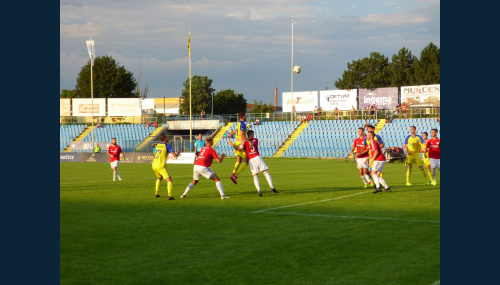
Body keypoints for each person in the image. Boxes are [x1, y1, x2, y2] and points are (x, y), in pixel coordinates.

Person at [229, 130, 278, 196]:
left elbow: (238, 149)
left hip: (251, 160)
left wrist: (232, 144)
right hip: (257, 157)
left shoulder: (244, 142)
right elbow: (251, 144)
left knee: (255, 176)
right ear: (252, 135)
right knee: (265, 172)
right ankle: (272, 187)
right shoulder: (255, 140)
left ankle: (259, 190)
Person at [152, 134, 181, 199]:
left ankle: (156, 193)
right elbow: (174, 155)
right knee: (169, 180)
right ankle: (170, 196)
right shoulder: (167, 146)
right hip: (160, 166)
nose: (168, 138)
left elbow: (154, 153)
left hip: (154, 165)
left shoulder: (158, 145)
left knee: (159, 178)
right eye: (167, 137)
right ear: (164, 138)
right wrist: (178, 153)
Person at [229, 112, 253, 184]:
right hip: (240, 143)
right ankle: (235, 176)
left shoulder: (238, 123)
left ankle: (233, 174)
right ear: (244, 116)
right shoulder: (243, 124)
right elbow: (242, 135)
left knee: (238, 160)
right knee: (246, 161)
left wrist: (247, 129)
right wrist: (248, 141)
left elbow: (239, 132)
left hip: (236, 141)